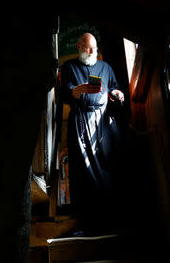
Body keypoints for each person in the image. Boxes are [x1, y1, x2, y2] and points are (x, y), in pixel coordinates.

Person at [60, 32, 124, 236]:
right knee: (81, 173)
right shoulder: (69, 67)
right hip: (80, 123)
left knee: (108, 169)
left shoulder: (106, 68)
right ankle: (86, 224)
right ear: (79, 46)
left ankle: (110, 221)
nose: (92, 51)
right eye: (88, 47)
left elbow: (114, 88)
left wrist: (117, 94)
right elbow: (64, 94)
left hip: (103, 124)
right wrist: (78, 90)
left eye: (94, 48)